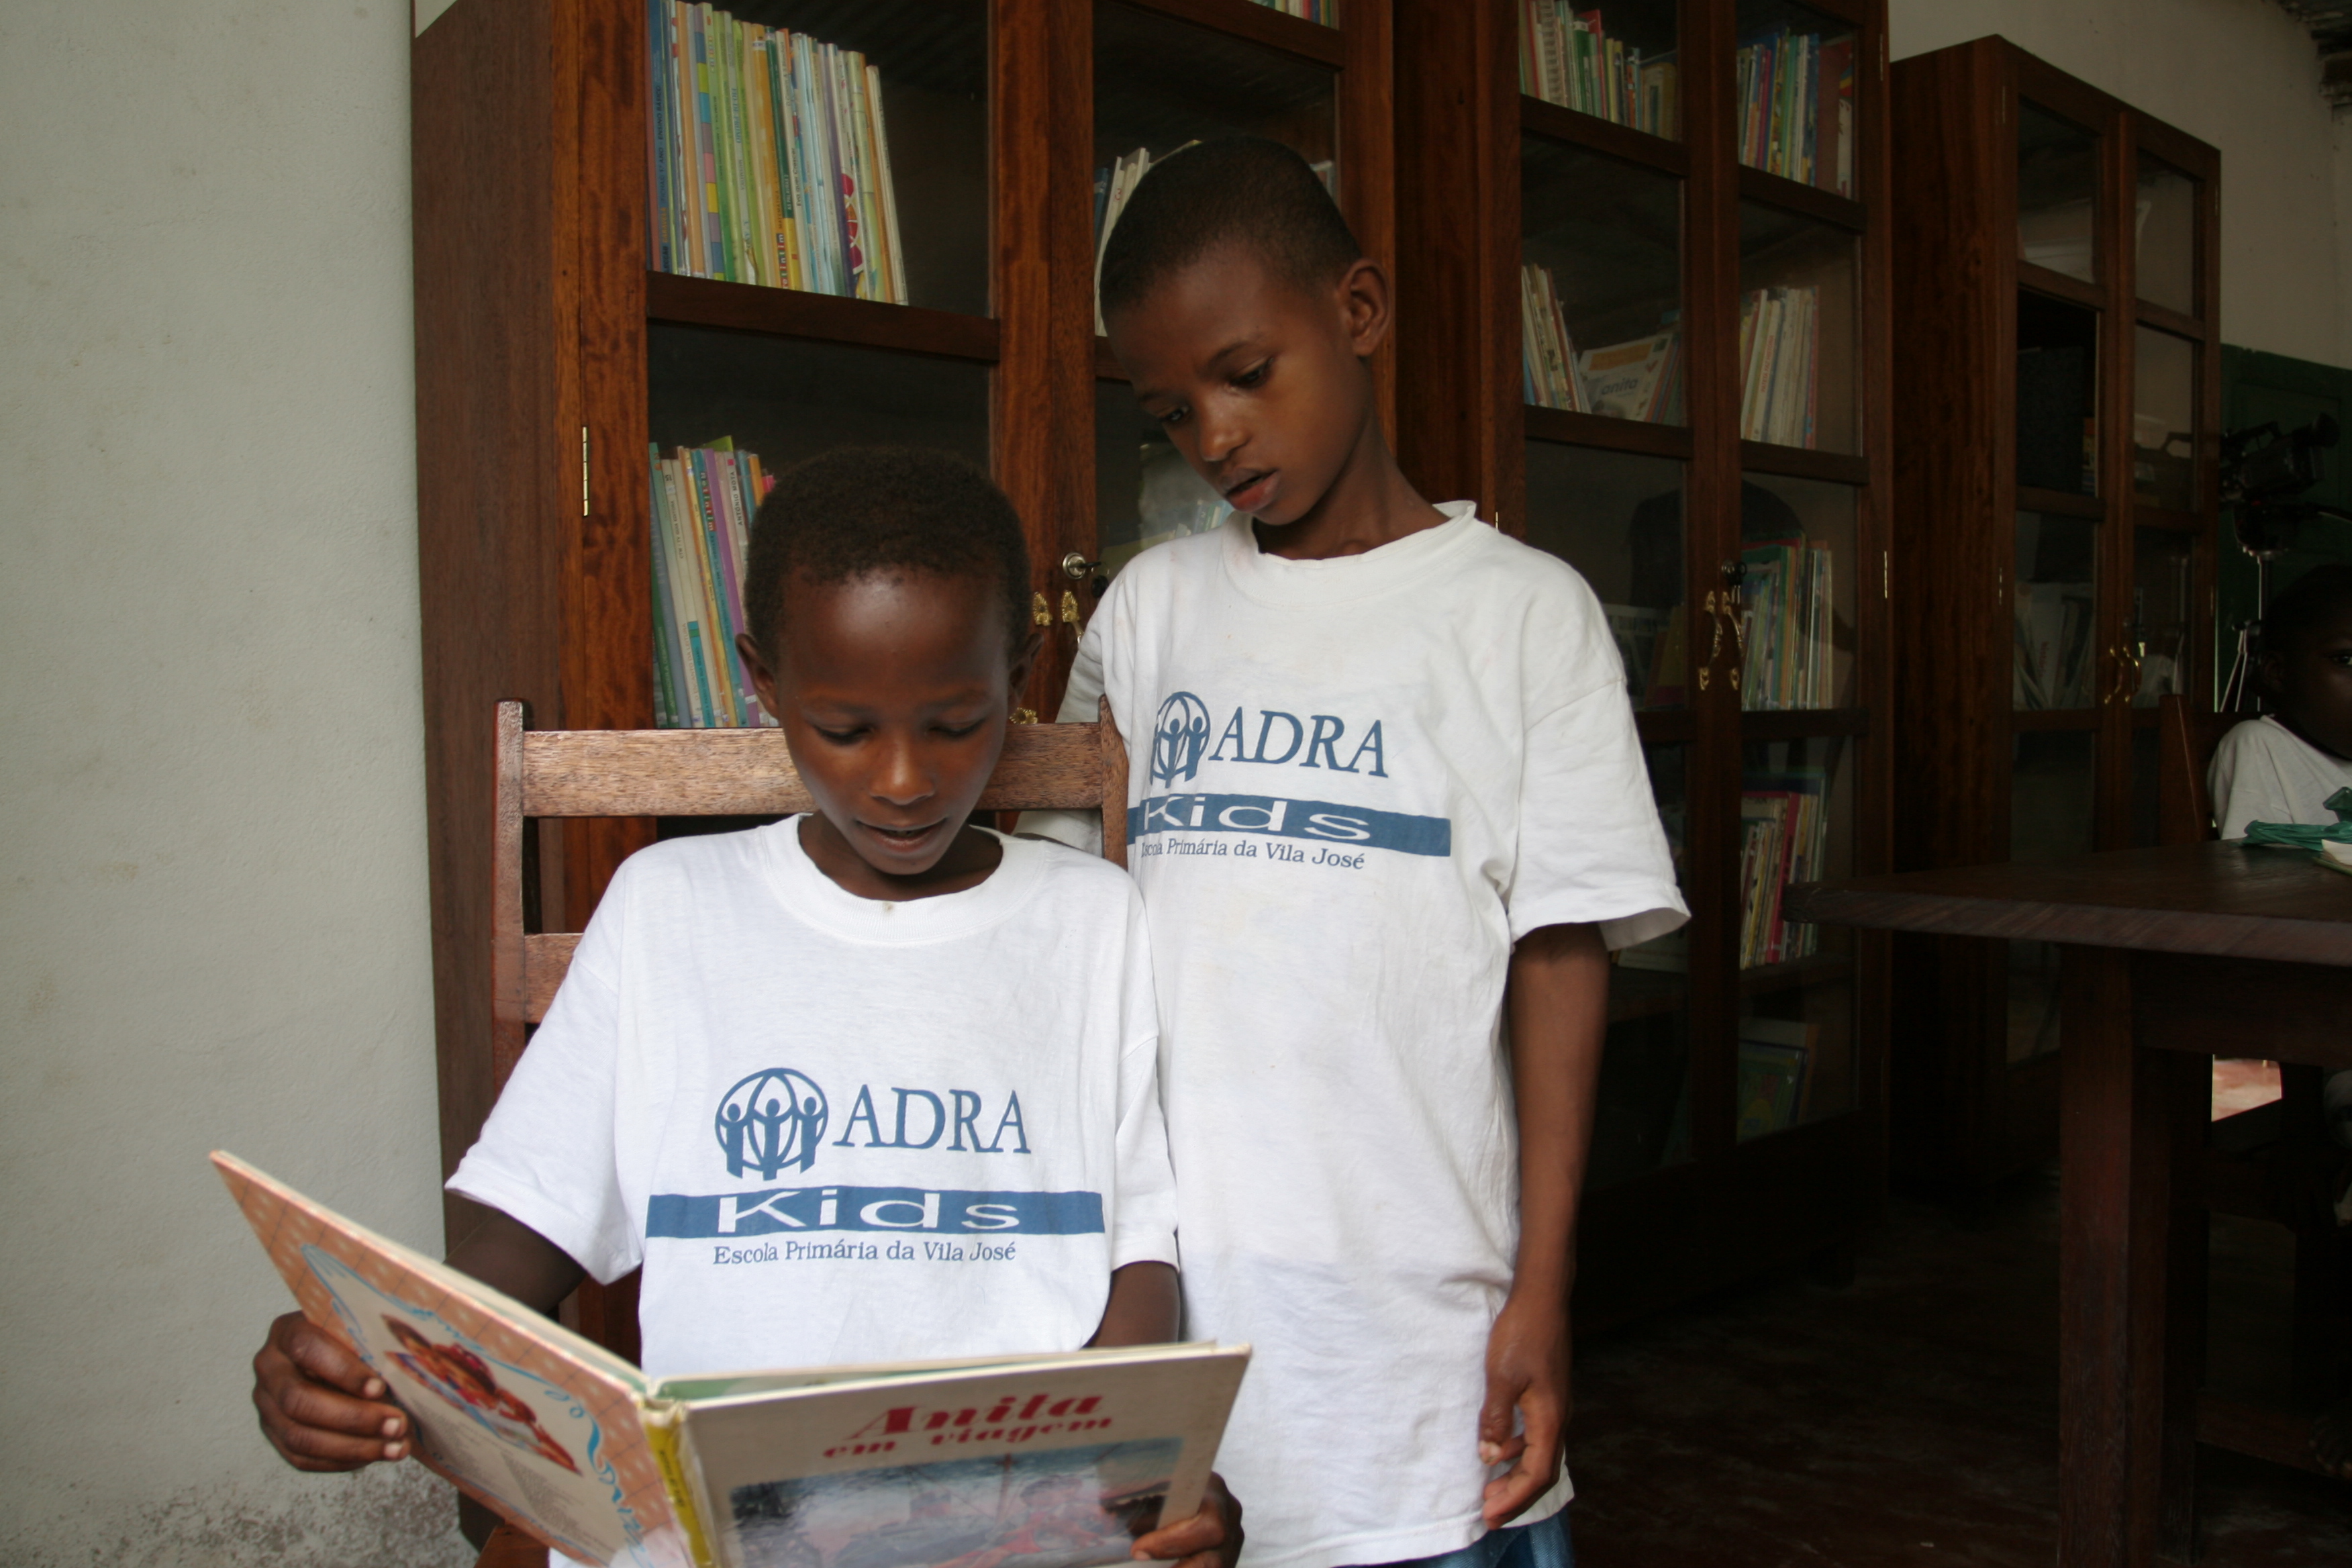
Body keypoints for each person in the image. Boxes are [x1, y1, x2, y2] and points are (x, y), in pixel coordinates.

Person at [249, 448, 1238, 1568]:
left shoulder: (1091, 921)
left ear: (1018, 673)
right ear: (764, 683)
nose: (905, 779)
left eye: (958, 723)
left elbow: (1135, 1268)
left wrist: (1120, 1484)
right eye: (847, 729)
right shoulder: (670, 910)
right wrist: (361, 1353)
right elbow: (515, 1237)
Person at [1027, 139, 1687, 1568]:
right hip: (1183, 1338)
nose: (1213, 434)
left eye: (1246, 372)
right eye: (1170, 409)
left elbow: (1562, 957)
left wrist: (1543, 1289)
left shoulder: (1524, 616)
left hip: (1419, 1353)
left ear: (1362, 311)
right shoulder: (1148, 613)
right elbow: (1061, 929)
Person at [2206, 562, 2352, 1481]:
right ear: (2273, 672)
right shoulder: (2261, 751)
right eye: (2346, 660)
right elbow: (2268, 938)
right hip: (2329, 1042)